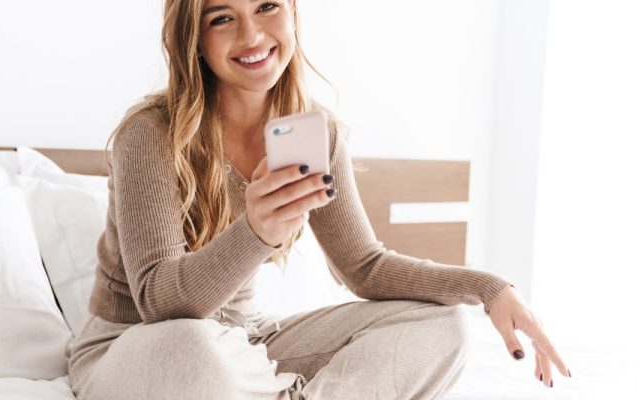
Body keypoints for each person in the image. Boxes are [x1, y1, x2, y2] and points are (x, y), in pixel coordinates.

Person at [67, 0, 571, 398]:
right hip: (141, 345)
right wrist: (257, 233)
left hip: (245, 345)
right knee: (193, 348)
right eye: (223, 18)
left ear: (292, 11)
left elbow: (365, 267)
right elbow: (159, 303)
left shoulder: (319, 131)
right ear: (194, 38)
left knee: (442, 324)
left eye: (267, 7)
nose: (251, 36)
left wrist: (487, 288)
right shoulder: (152, 133)